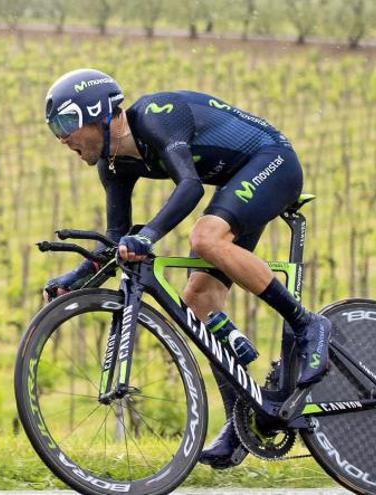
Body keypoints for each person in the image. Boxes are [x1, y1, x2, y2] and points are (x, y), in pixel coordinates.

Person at [40, 68, 332, 469]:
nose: (62, 137)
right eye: (55, 127)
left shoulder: (157, 116)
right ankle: (241, 424)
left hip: (272, 160)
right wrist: (74, 279)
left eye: (67, 122)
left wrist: (150, 236)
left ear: (100, 112)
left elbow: (190, 186)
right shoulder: (112, 166)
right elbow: (115, 238)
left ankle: (307, 323)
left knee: (205, 237)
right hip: (237, 184)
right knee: (197, 301)